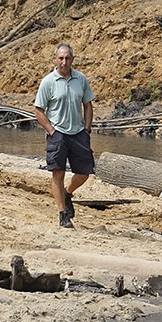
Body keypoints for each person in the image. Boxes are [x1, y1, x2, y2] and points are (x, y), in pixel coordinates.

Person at [32, 43, 96, 228]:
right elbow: (38, 110)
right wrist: (51, 131)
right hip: (57, 133)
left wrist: (87, 128)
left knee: (84, 172)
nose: (64, 62)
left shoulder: (80, 79)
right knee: (57, 173)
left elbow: (88, 104)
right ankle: (62, 214)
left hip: (78, 132)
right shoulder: (48, 82)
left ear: (72, 60)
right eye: (60, 58)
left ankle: (68, 193)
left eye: (67, 58)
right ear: (55, 59)